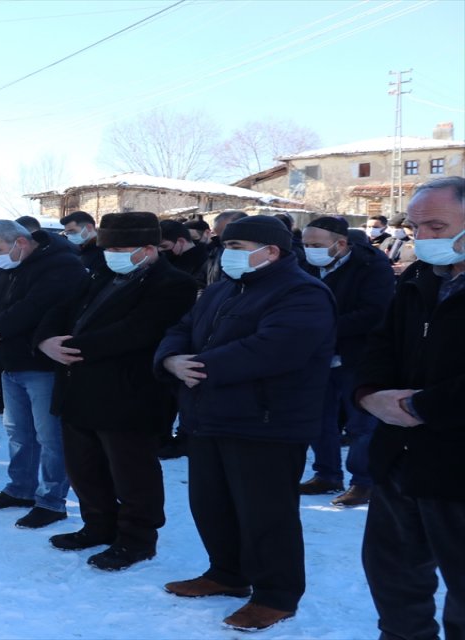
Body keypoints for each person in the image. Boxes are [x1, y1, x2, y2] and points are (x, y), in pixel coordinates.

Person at [155, 215, 336, 631]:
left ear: (270, 251)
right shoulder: (221, 290)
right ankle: (226, 573)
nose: (225, 254)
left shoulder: (303, 293)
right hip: (208, 416)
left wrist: (196, 366)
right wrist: (170, 360)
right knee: (211, 504)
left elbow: (271, 350)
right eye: (225, 247)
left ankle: (276, 595)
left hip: (267, 423)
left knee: (266, 515)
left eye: (235, 247)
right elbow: (181, 329)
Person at [37, 212, 198, 571]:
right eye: (108, 247)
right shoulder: (99, 273)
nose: (112, 254)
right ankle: (97, 525)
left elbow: (137, 331)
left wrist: (73, 348)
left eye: (121, 248)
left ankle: (137, 539)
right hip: (77, 390)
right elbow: (59, 310)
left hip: (130, 395)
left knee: (132, 472)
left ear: (149, 248)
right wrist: (46, 341)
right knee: (84, 468)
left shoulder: (174, 284)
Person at [356, 176, 465, 640]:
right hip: (400, 460)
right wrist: (368, 394)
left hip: (458, 468)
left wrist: (423, 406)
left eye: (438, 227)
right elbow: (377, 348)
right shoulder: (417, 282)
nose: (425, 239)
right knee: (394, 581)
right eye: (418, 228)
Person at [0, 219, 87, 528]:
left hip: (42, 365)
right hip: (10, 361)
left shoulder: (61, 266)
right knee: (18, 433)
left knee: (50, 436)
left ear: (20, 243)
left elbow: (32, 309)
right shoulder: (11, 266)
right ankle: (20, 488)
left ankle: (51, 500)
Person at [299, 216, 395, 507]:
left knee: (361, 424)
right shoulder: (304, 266)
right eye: (305, 244)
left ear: (340, 243)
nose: (309, 250)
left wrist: (321, 327)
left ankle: (363, 481)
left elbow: (375, 312)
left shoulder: (372, 266)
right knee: (318, 418)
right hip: (315, 356)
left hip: (358, 355)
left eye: (316, 245)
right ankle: (326, 474)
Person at [158, 219, 208, 287]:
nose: (159, 250)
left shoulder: (205, 262)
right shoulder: (170, 262)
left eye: (164, 246)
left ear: (181, 241)